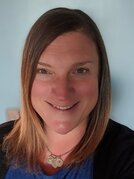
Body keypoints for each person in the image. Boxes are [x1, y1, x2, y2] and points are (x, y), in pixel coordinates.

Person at [0, 7, 134, 179]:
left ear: (100, 78)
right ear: (27, 78)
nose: (62, 93)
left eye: (80, 70)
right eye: (44, 71)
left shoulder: (127, 155)